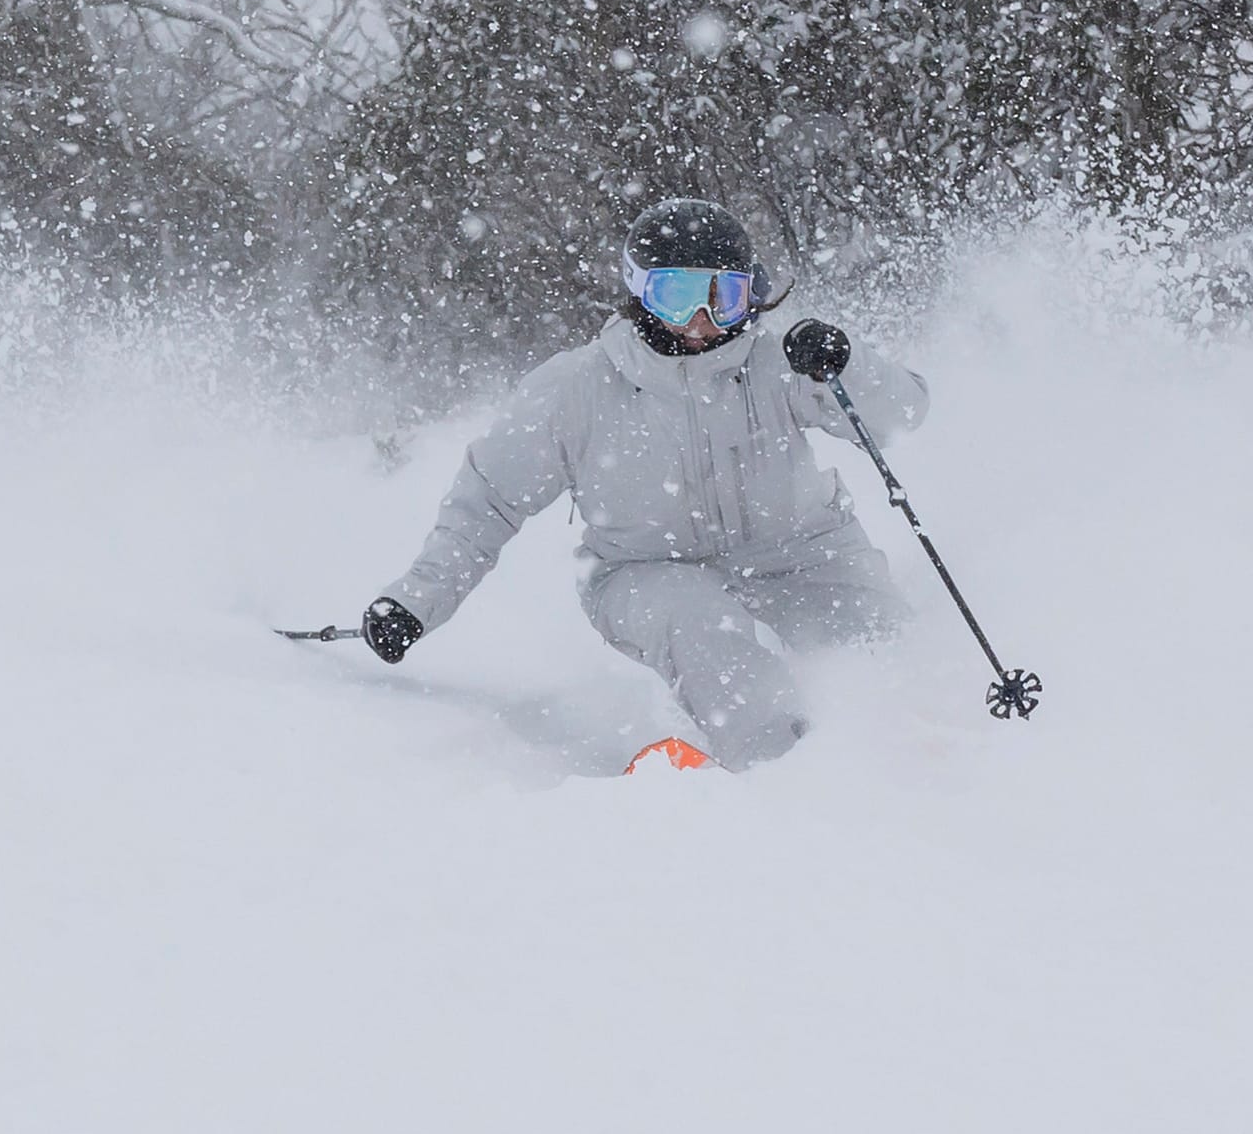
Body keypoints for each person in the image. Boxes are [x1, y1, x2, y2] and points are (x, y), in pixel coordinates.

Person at [359, 198, 929, 771]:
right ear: (640, 293)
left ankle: (925, 763)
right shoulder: (576, 388)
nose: (701, 320)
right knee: (705, 627)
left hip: (805, 555)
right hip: (647, 572)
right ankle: (779, 767)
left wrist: (847, 365)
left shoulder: (779, 361)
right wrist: (416, 602)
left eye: (723, 297)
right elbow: (486, 502)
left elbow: (904, 415)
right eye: (677, 296)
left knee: (881, 656)